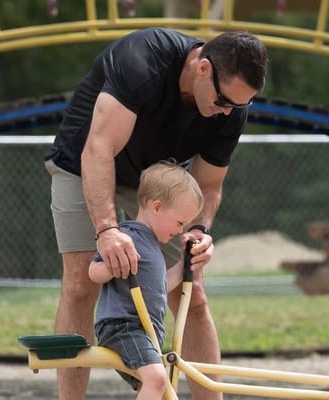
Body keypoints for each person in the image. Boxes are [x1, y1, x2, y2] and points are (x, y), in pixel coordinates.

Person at [43, 27, 266, 400]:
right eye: (225, 99)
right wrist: (107, 230)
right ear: (202, 68)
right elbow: (99, 149)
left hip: (157, 180)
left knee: (192, 292)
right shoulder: (142, 62)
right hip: (87, 163)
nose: (228, 111)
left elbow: (208, 186)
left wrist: (198, 232)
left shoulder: (232, 110)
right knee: (82, 283)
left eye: (239, 106)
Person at [88, 162, 205, 400]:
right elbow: (92, 271)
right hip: (123, 326)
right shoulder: (127, 237)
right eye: (180, 223)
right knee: (157, 378)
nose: (181, 231)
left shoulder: (152, 246)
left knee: (152, 385)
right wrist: (111, 267)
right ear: (157, 207)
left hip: (146, 331)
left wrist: (185, 263)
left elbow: (163, 286)